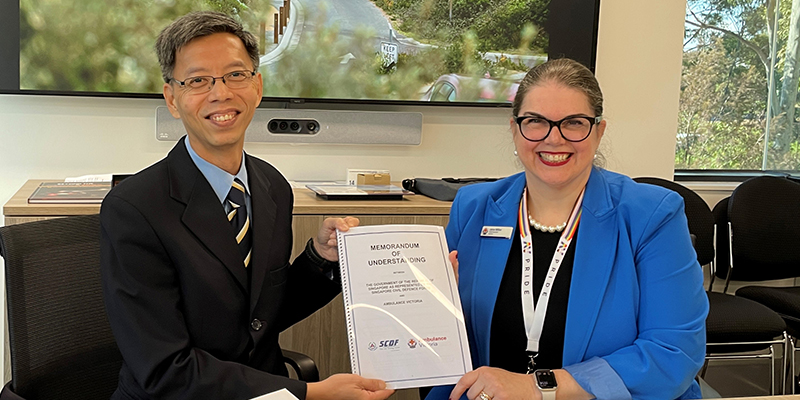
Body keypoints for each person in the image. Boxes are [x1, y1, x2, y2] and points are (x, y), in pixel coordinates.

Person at [100, 11, 394, 400]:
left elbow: (259, 316)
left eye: (235, 75)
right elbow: (165, 370)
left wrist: (321, 260)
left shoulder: (272, 186)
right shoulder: (134, 209)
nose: (220, 93)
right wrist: (309, 393)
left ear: (257, 85)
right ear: (172, 98)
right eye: (198, 80)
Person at [426, 59, 709, 400]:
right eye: (535, 121)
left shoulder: (652, 215)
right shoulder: (473, 207)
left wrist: (536, 387)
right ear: (515, 129)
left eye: (574, 123)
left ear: (599, 131)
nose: (554, 138)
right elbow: (448, 344)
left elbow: (673, 352)